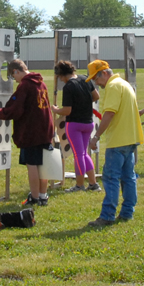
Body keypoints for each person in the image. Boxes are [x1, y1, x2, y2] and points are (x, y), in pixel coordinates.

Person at [86, 60, 144, 227]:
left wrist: (96, 136)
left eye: (96, 79)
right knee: (128, 177)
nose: (96, 83)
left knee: (111, 178)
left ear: (103, 73)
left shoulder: (112, 87)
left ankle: (107, 216)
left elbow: (109, 113)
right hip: (130, 138)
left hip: (117, 140)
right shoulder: (124, 84)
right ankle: (127, 212)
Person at [0, 60, 55, 206]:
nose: (15, 80)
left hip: (32, 131)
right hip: (46, 129)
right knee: (42, 164)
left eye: (14, 76)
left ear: (16, 71)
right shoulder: (41, 83)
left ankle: (34, 197)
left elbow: (16, 109)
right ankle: (43, 195)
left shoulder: (25, 85)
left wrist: (0, 112)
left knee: (32, 164)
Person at [50, 60, 101, 192]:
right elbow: (96, 96)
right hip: (88, 122)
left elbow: (67, 111)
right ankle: (93, 183)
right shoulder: (85, 79)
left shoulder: (68, 87)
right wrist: (84, 101)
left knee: (78, 155)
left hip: (74, 124)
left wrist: (56, 110)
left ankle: (79, 185)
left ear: (61, 75)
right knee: (84, 154)